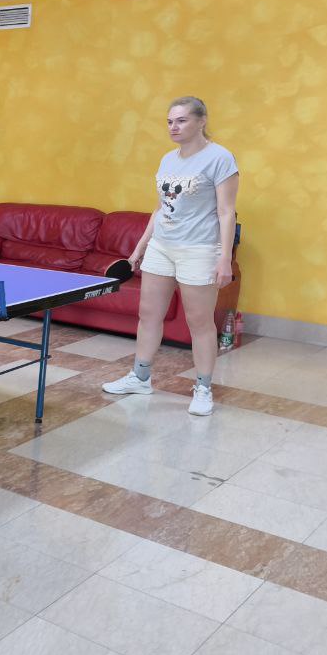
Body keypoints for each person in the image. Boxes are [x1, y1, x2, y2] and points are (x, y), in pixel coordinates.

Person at [102, 97, 239, 416]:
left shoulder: (220, 158)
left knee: (199, 322)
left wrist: (224, 258)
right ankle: (140, 377)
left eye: (181, 120)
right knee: (148, 314)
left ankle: (203, 388)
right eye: (169, 121)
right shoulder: (167, 159)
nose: (173, 127)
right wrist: (140, 248)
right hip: (161, 247)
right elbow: (160, 209)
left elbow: (226, 212)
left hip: (199, 249)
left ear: (201, 121)